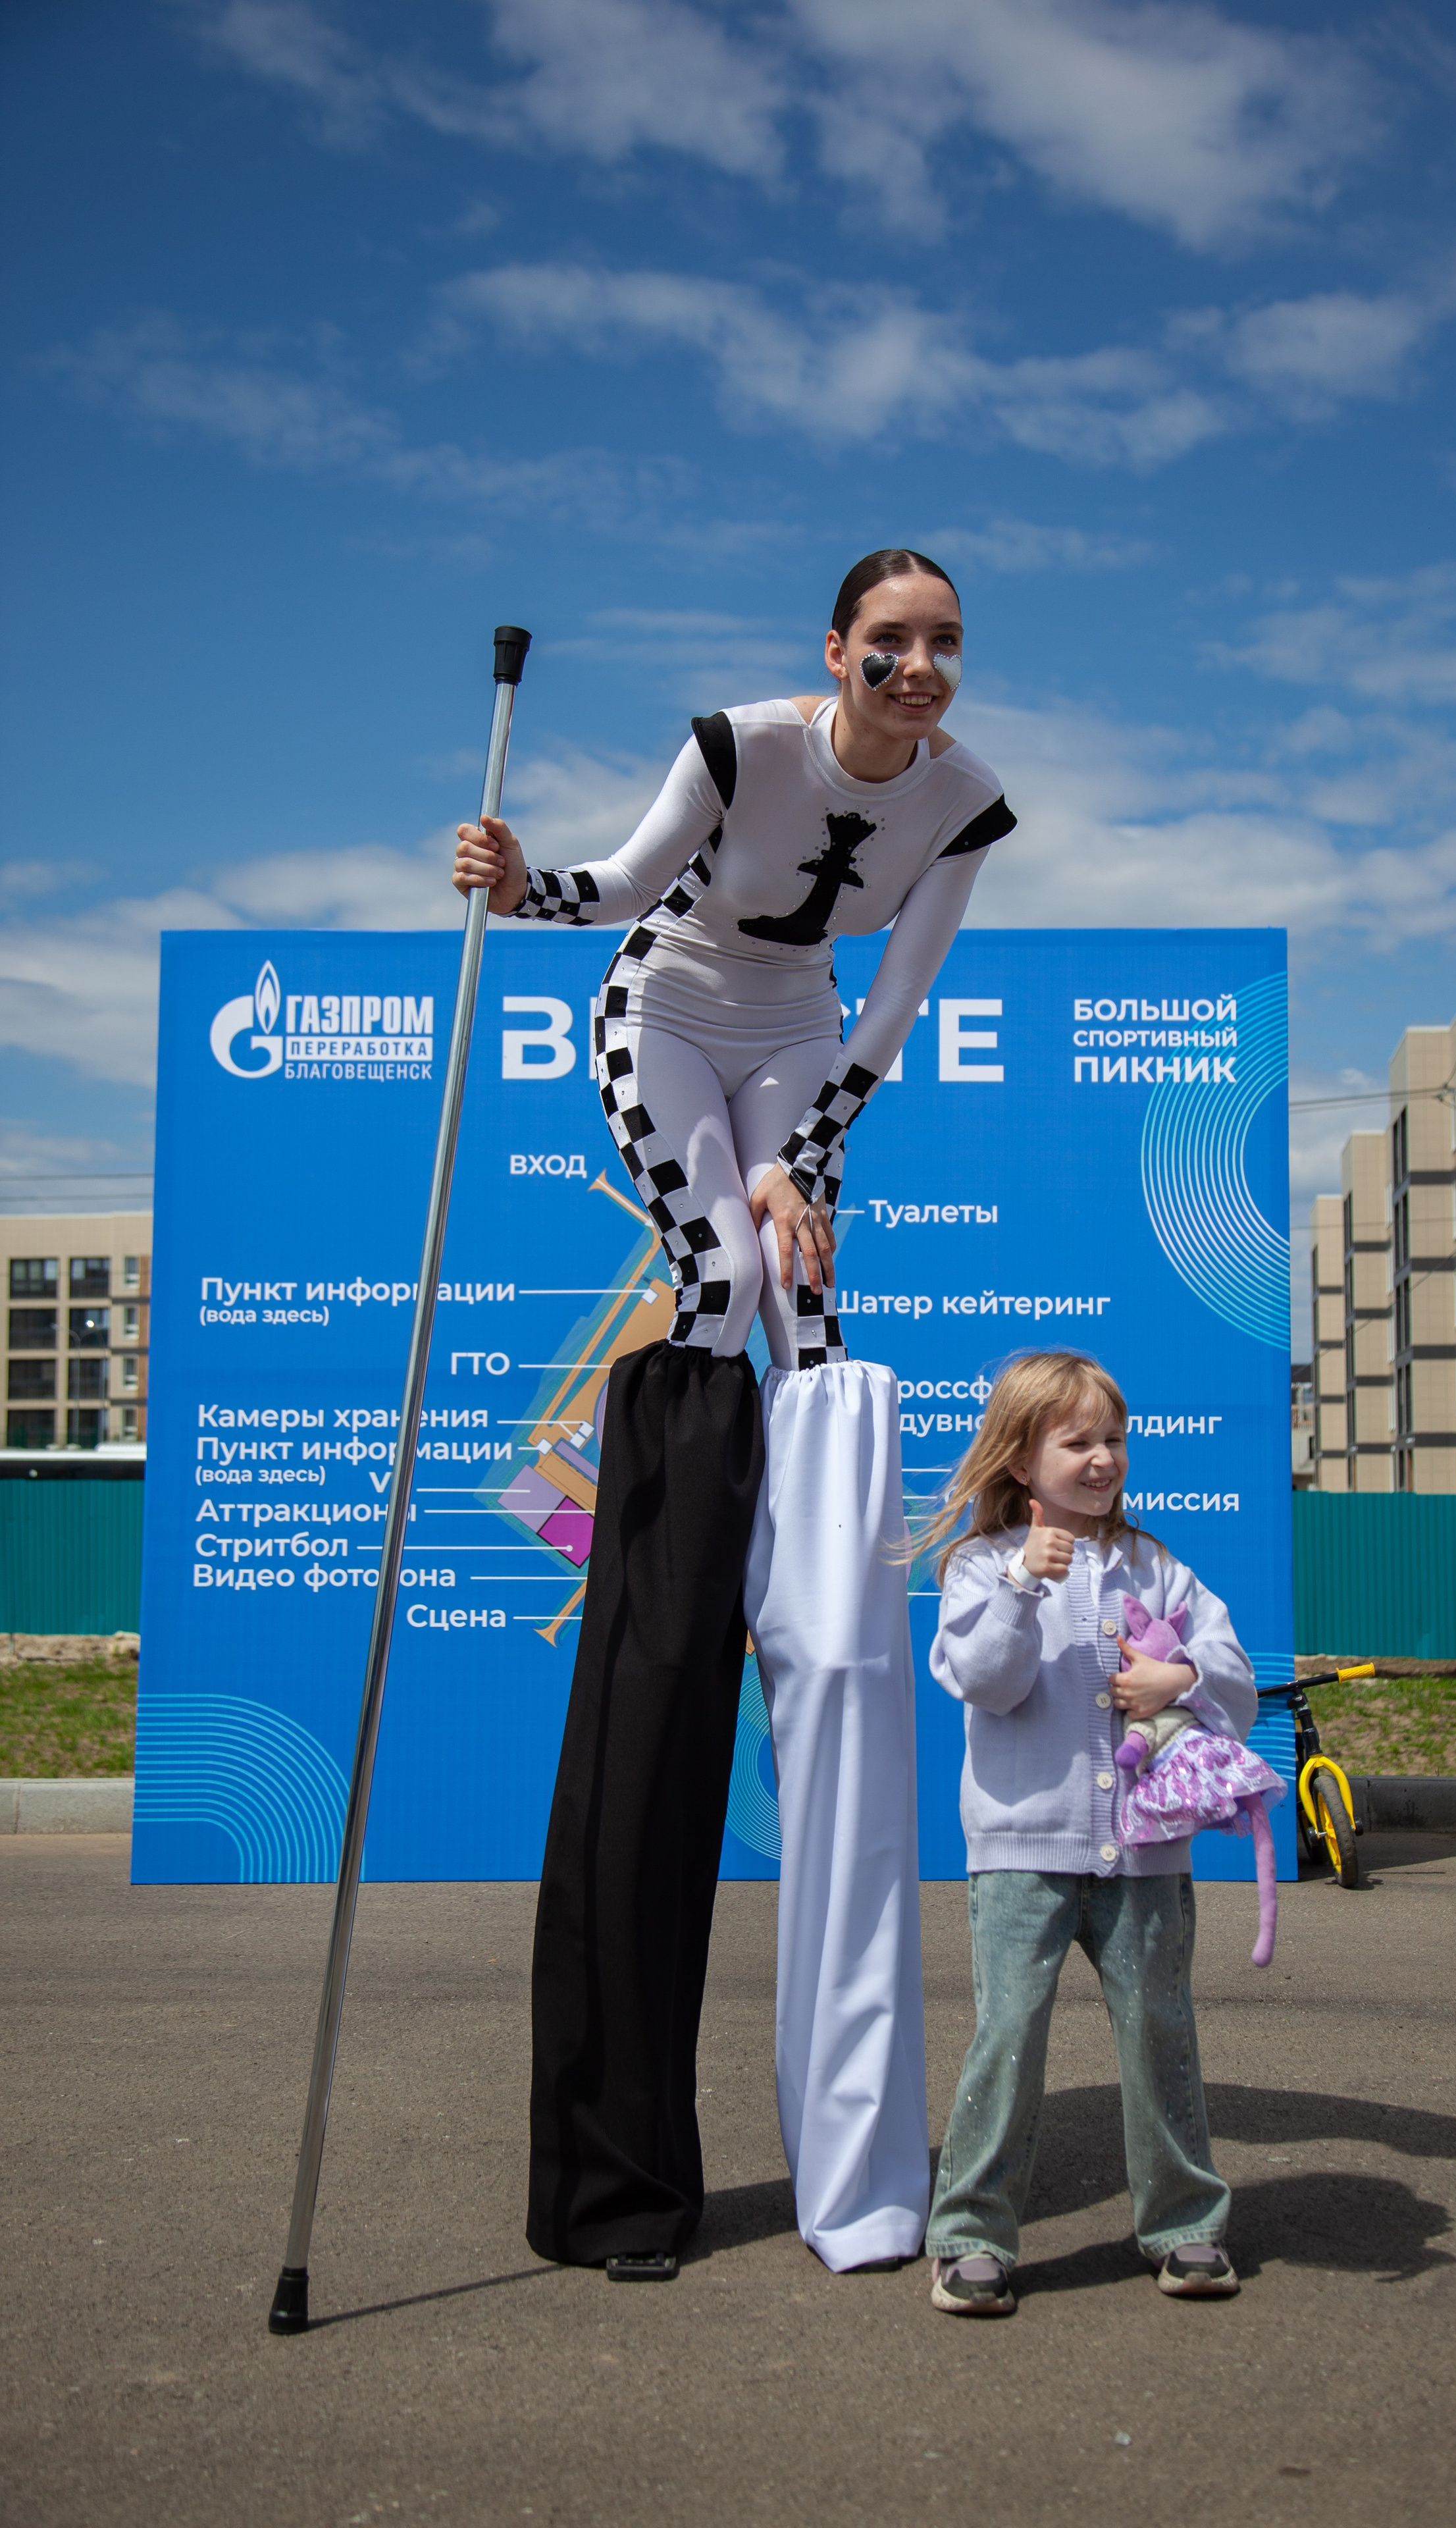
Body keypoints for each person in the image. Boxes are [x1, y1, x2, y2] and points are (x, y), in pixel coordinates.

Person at [453, 551, 1016, 2277]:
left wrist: (808, 1153)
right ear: (835, 651)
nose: (918, 670)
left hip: (801, 1035)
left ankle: (816, 1532)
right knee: (713, 1281)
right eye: (891, 643)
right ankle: (694, 1506)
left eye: (944, 647)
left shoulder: (973, 802)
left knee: (813, 1298)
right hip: (669, 1002)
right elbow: (616, 883)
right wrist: (511, 878)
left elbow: (898, 999)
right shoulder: (739, 743)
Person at [918, 1352, 1255, 2315]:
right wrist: (1025, 1583)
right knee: (1008, 2038)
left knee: (1160, 2035)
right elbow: (986, 1680)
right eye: (1077, 1442)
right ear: (1023, 1460)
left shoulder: (1155, 1564)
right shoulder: (984, 1563)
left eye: (1114, 1439)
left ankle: (1186, 2224)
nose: (1103, 1459)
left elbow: (1228, 1666)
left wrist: (1178, 1680)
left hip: (1146, 1854)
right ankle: (973, 2234)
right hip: (1023, 1852)